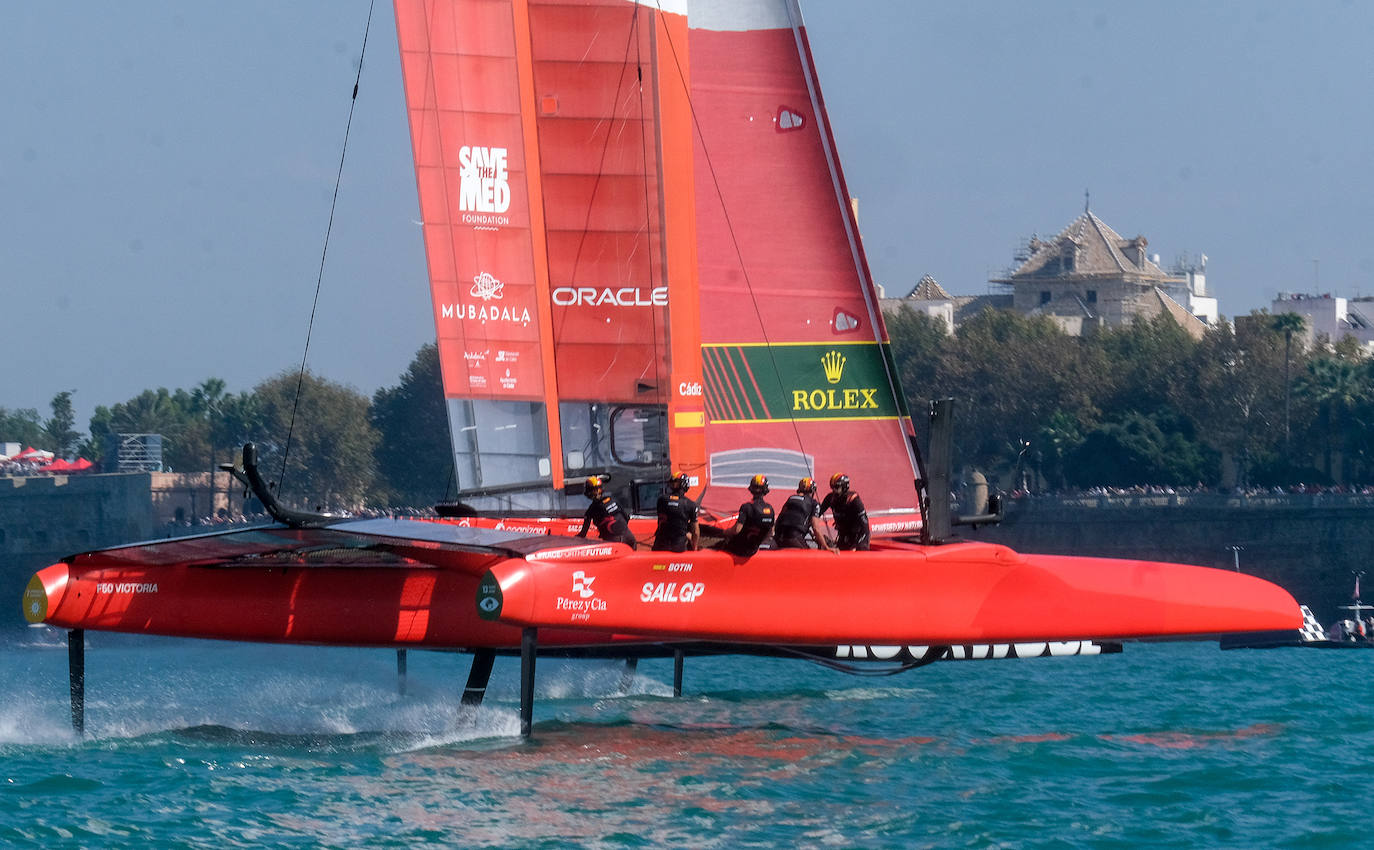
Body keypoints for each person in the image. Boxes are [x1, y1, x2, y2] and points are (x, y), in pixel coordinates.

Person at [774, 477, 836, 551]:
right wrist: (825, 546)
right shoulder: (813, 503)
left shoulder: (791, 499)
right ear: (812, 490)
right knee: (810, 559)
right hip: (794, 538)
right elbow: (815, 528)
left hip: (778, 537)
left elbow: (778, 521)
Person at [577, 475, 637, 546]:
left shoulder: (591, 510)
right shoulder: (612, 499)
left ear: (589, 491)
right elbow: (627, 517)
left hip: (613, 541)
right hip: (629, 537)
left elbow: (583, 533)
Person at [725, 474, 775, 557]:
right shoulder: (770, 509)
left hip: (740, 549)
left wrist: (726, 532)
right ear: (765, 490)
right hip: (755, 549)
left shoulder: (746, 507)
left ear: (751, 488)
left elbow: (737, 530)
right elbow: (771, 532)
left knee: (716, 546)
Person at [820, 472, 869, 551]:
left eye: (836, 487)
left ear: (844, 487)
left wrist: (857, 545)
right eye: (832, 488)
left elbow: (865, 525)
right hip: (843, 535)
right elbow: (818, 512)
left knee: (859, 550)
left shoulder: (853, 500)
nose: (834, 490)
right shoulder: (830, 498)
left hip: (858, 536)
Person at [653, 472, 699, 552]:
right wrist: (695, 548)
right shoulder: (691, 504)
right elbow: (695, 532)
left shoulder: (661, 500)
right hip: (678, 548)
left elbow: (669, 523)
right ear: (686, 485)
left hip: (659, 546)